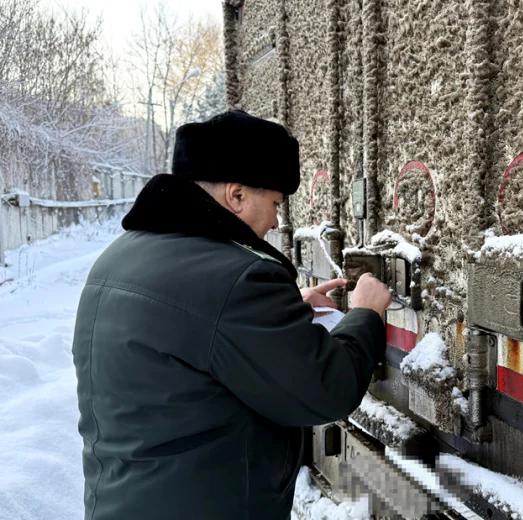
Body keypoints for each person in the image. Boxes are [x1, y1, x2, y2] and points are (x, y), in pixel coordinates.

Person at [72, 110, 391, 520]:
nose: (277, 220)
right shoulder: (236, 278)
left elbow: (198, 327)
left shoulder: (122, 254)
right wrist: (366, 313)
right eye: (275, 202)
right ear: (236, 196)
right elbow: (324, 390)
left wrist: (287, 309)